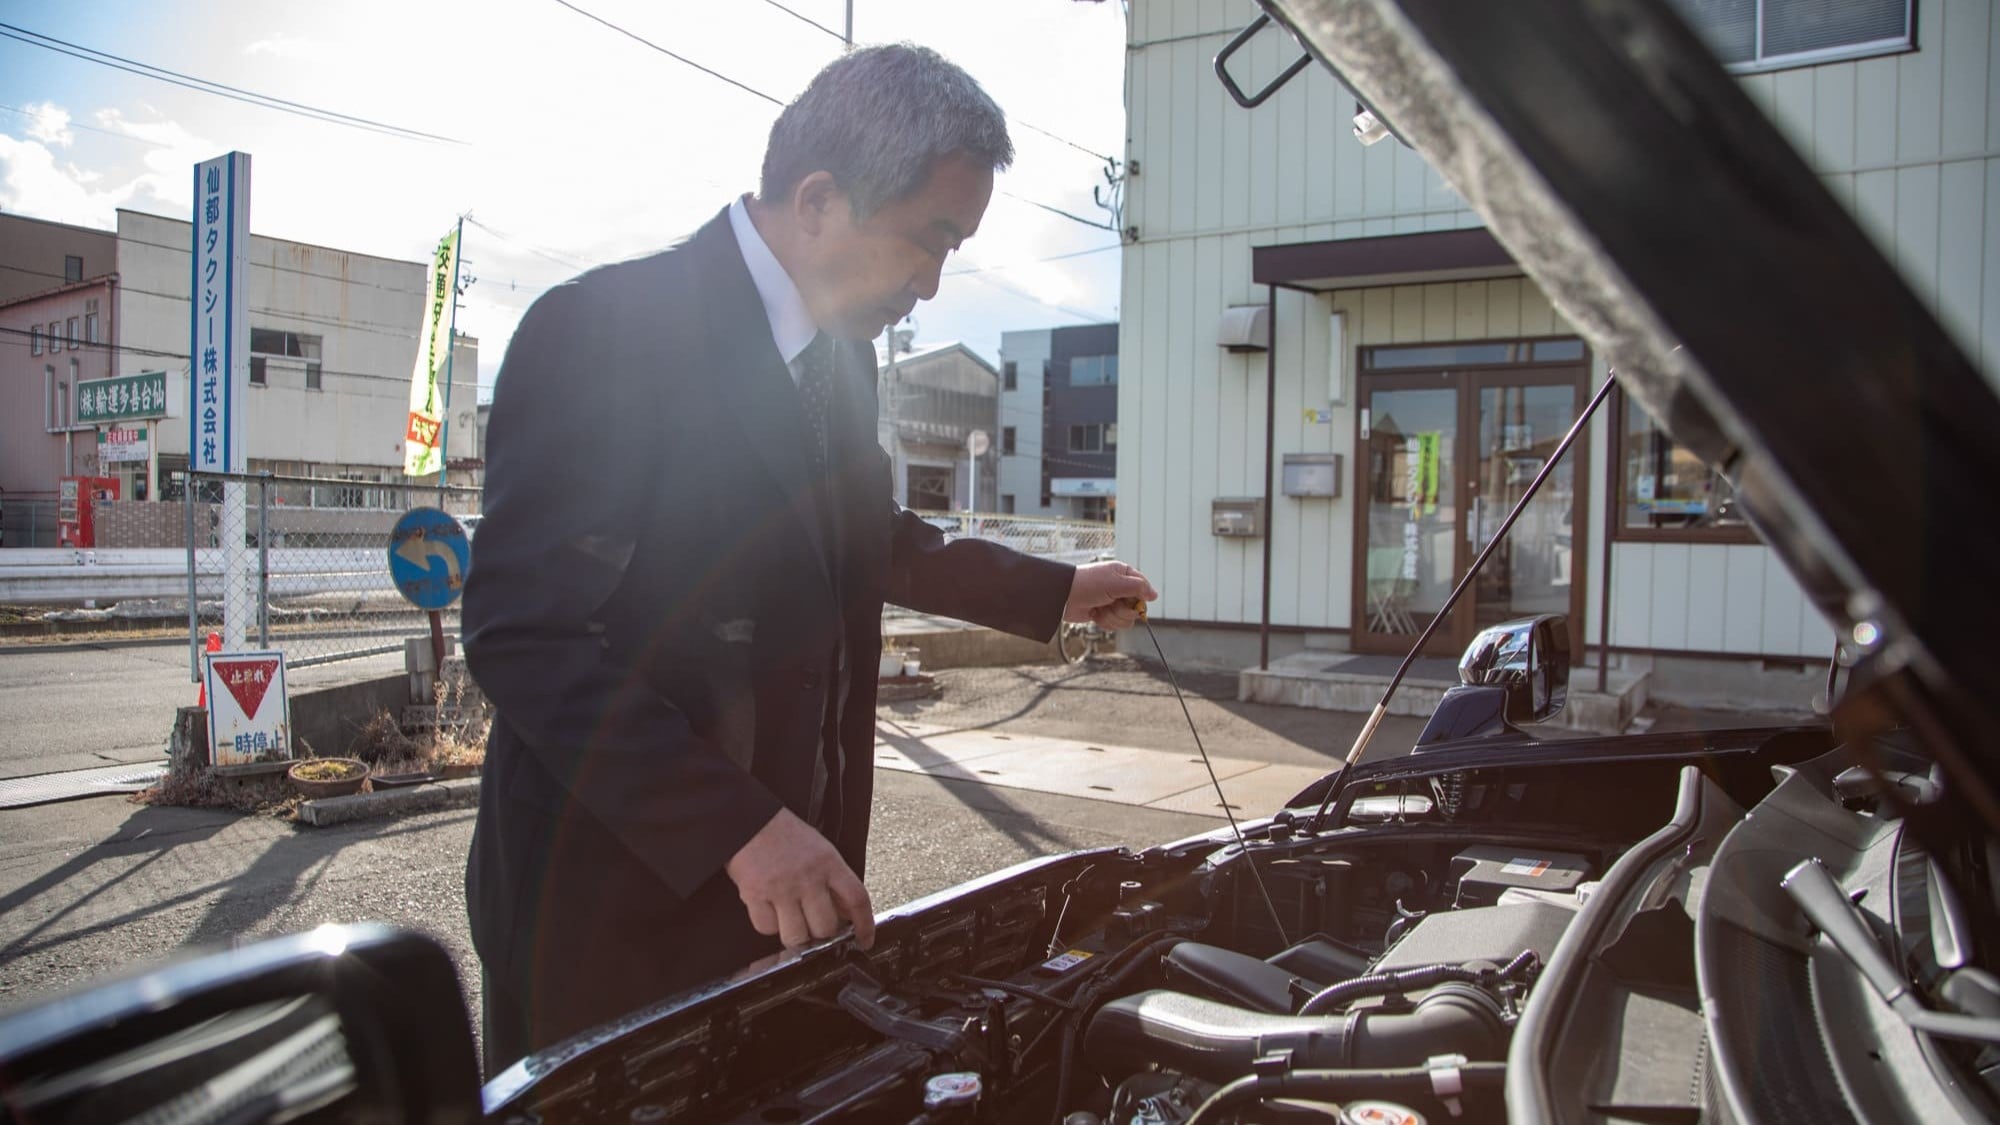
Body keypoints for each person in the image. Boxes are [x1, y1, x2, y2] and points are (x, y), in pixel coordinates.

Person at [462, 43, 1157, 1073]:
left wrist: (1054, 588)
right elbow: (523, 635)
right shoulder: (603, 331)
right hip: (611, 906)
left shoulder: (838, 357)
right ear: (820, 200)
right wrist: (737, 824)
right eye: (927, 241)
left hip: (782, 894)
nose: (930, 284)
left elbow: (867, 538)